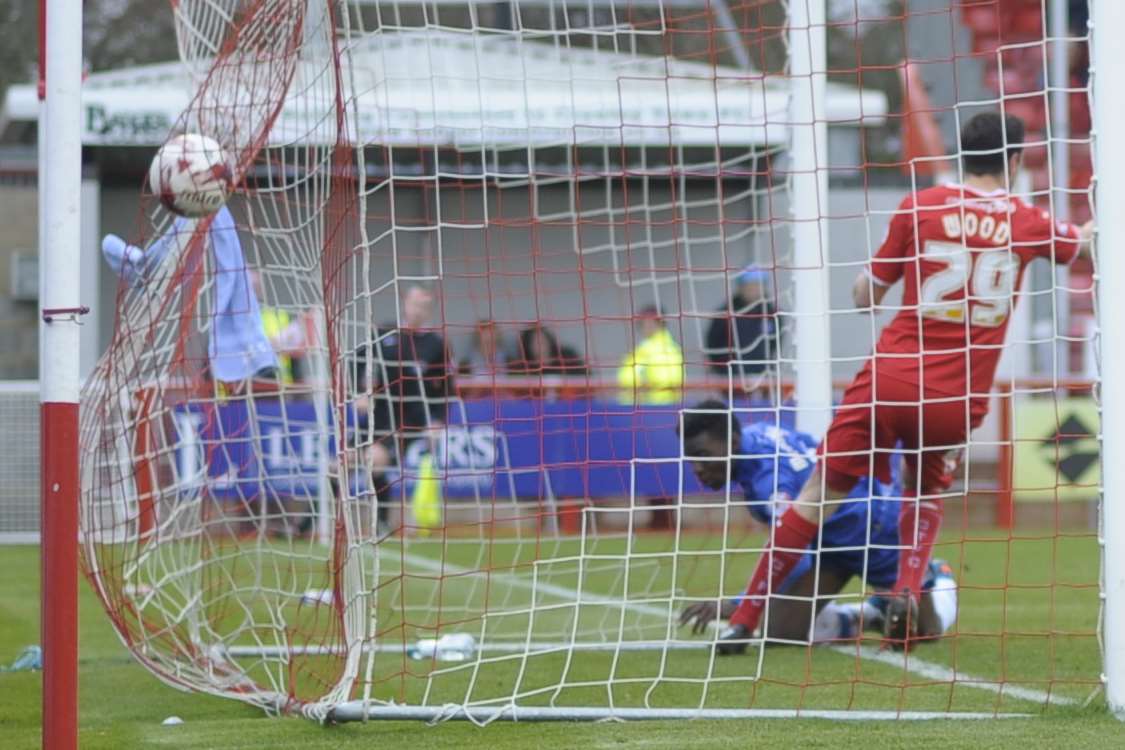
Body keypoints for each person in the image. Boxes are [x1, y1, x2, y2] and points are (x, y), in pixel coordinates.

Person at [713, 112, 1094, 653]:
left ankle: (743, 621)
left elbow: (868, 293)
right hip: (954, 397)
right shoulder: (1026, 221)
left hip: (889, 381)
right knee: (926, 493)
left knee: (818, 496)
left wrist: (863, 286)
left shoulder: (920, 206)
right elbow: (1080, 245)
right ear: (1013, 161)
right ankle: (905, 593)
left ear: (963, 156)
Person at [677, 400, 958, 644]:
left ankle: (938, 575)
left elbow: (793, 553)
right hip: (829, 537)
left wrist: (736, 604)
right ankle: (866, 615)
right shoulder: (755, 434)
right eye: (691, 460)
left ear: (732, 442)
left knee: (923, 632)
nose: (697, 469)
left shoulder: (769, 483)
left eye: (703, 457)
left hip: (873, 527)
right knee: (778, 634)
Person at [102, 205, 279, 385]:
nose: (255, 283)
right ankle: (147, 267)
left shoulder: (274, 315)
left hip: (267, 386)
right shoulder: (238, 307)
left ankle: (146, 268)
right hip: (235, 387)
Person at [350, 285, 452, 534]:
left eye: (424, 306)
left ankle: (381, 522)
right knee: (337, 466)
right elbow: (355, 362)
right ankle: (322, 524)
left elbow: (446, 388)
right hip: (378, 414)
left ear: (429, 311)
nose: (418, 310)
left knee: (376, 460)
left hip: (408, 421)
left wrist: (437, 421)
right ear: (405, 303)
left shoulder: (435, 345)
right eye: (414, 303)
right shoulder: (385, 333)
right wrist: (359, 393)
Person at [704, 266, 779, 377]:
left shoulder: (773, 314)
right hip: (731, 379)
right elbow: (712, 344)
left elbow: (775, 343)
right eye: (749, 285)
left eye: (757, 285)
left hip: (763, 379)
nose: (753, 289)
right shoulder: (725, 313)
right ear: (740, 287)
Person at [617, 305, 683, 405]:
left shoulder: (662, 349)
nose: (643, 326)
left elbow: (666, 380)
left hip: (653, 408)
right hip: (644, 407)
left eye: (645, 322)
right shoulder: (649, 347)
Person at [508, 324, 587, 376]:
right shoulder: (522, 368)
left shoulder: (568, 358)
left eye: (542, 341)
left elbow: (587, 377)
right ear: (527, 346)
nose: (540, 346)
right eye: (535, 342)